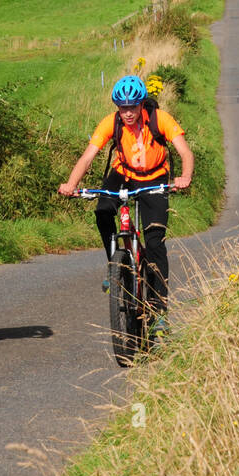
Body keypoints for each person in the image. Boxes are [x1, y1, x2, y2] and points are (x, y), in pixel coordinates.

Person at [58, 75, 193, 339]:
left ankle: (159, 310)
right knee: (102, 211)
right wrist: (71, 184)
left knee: (154, 240)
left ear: (142, 104)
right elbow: (88, 156)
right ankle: (116, 266)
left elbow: (185, 152)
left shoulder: (160, 119)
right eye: (123, 107)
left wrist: (185, 176)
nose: (128, 113)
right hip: (124, 174)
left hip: (154, 178)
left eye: (133, 107)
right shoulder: (112, 123)